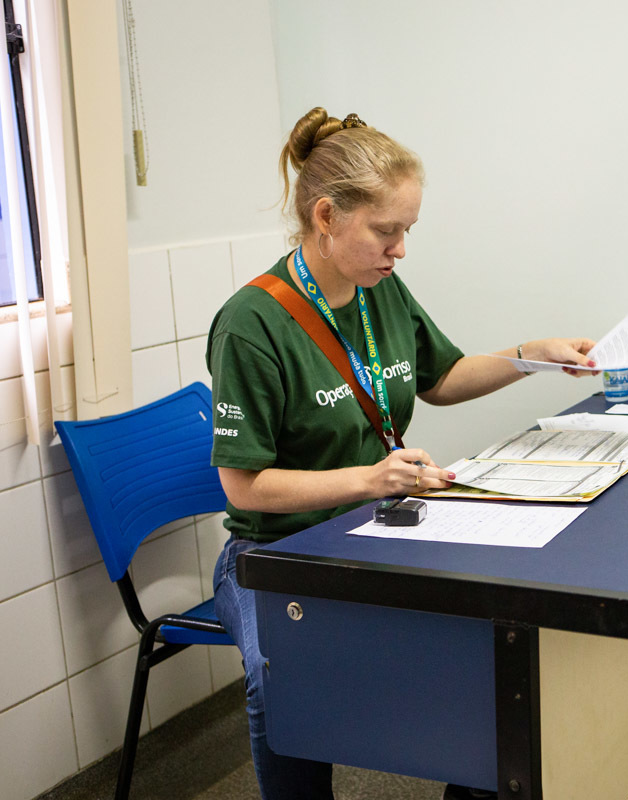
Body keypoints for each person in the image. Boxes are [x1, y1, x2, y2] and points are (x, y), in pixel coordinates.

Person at [207, 107, 596, 800]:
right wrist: (368, 478)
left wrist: (530, 357)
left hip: (377, 528)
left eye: (407, 231)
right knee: (281, 687)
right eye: (386, 231)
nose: (400, 250)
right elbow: (245, 487)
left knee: (483, 665)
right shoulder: (251, 324)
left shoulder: (380, 290)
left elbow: (440, 379)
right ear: (325, 217)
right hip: (274, 555)